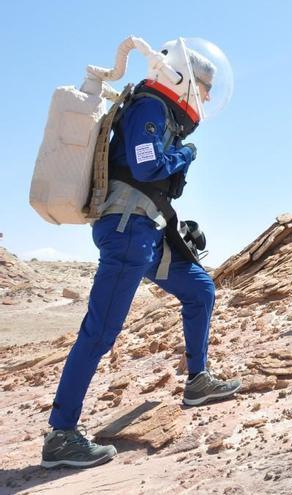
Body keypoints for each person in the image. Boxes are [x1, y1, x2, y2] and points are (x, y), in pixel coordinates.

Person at [42, 38, 239, 469]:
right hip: (128, 232)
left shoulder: (161, 111)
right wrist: (185, 153)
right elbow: (147, 165)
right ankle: (61, 436)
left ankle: (198, 382)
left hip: (144, 231)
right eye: (204, 87)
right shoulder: (150, 107)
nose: (206, 96)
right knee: (99, 332)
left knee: (200, 289)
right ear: (185, 79)